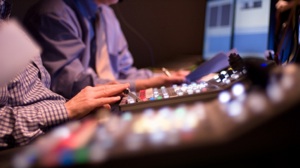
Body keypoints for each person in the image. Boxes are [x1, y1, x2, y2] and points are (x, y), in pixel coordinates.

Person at [0, 0, 130, 150]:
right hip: (32, 147)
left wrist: (71, 108)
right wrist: (67, 109)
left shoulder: (5, 21)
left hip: (56, 131)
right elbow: (71, 81)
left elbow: (38, 98)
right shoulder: (53, 11)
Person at [23, 0, 188, 100]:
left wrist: (164, 78)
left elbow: (123, 73)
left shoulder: (107, 14)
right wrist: (150, 83)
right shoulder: (53, 13)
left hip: (109, 103)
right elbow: (74, 85)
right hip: (74, 114)